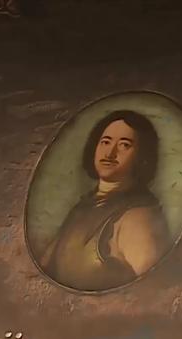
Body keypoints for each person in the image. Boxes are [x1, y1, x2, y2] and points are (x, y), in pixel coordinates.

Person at [40, 110, 170, 291]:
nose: (110, 153)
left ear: (141, 155)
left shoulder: (139, 218)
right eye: (105, 142)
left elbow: (152, 290)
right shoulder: (85, 207)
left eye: (124, 145)